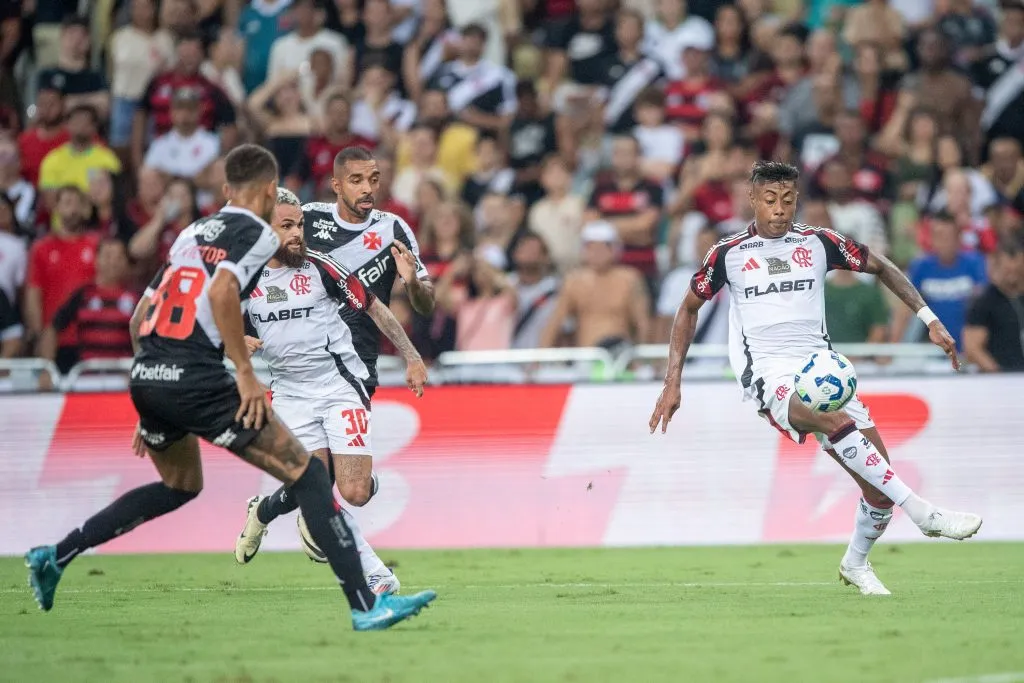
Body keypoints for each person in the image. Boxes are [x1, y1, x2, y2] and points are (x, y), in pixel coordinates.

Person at [24, 144, 436, 630]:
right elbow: (223, 294)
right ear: (266, 193)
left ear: (225, 191)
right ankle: (370, 605)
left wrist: (147, 398)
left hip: (152, 375)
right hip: (200, 378)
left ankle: (56, 554)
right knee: (309, 478)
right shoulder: (257, 235)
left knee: (179, 486)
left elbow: (141, 317)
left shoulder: (190, 236)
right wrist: (243, 372)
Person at [650, 160, 983, 596]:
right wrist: (673, 381)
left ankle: (856, 564)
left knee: (878, 487)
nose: (780, 209)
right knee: (835, 424)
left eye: (788, 199)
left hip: (820, 368)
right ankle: (923, 513)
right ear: (752, 199)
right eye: (770, 199)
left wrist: (928, 317)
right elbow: (687, 309)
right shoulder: (728, 253)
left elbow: (881, 266)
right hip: (767, 373)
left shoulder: (819, 243)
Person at [234, 188, 427, 597]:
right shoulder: (242, 279)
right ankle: (377, 575)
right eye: (286, 226)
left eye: (299, 225)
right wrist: (237, 343)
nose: (297, 234)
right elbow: (211, 329)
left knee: (354, 492)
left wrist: (411, 356)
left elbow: (374, 306)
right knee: (318, 490)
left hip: (339, 385)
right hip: (289, 395)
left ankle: (270, 509)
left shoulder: (322, 268)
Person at [303, 146, 436, 503]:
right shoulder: (308, 219)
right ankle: (295, 520)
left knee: (354, 492)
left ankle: (350, 493)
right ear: (336, 184)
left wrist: (412, 283)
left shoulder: (393, 228)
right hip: (305, 359)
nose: (367, 188)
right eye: (356, 180)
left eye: (373, 180)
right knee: (313, 481)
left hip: (357, 361)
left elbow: (426, 304)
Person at [540, 220, 650, 348]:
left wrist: (643, 360)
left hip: (620, 357)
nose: (597, 253)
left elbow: (642, 323)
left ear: (614, 249)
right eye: (591, 248)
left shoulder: (630, 279)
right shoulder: (574, 281)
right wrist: (540, 357)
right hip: (586, 356)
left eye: (602, 248)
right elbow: (555, 322)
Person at [38, 239, 139, 368]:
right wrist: (47, 369)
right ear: (96, 260)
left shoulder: (137, 298)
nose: (113, 262)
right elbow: (52, 329)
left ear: (126, 263)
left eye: (119, 257)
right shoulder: (83, 295)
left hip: (123, 377)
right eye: (108, 256)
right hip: (87, 376)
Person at [963, 237, 1024, 372]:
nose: (1013, 277)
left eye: (1018, 271)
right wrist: (998, 374)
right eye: (1008, 271)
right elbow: (972, 348)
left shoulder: (1020, 300)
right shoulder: (984, 302)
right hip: (1002, 379)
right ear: (997, 266)